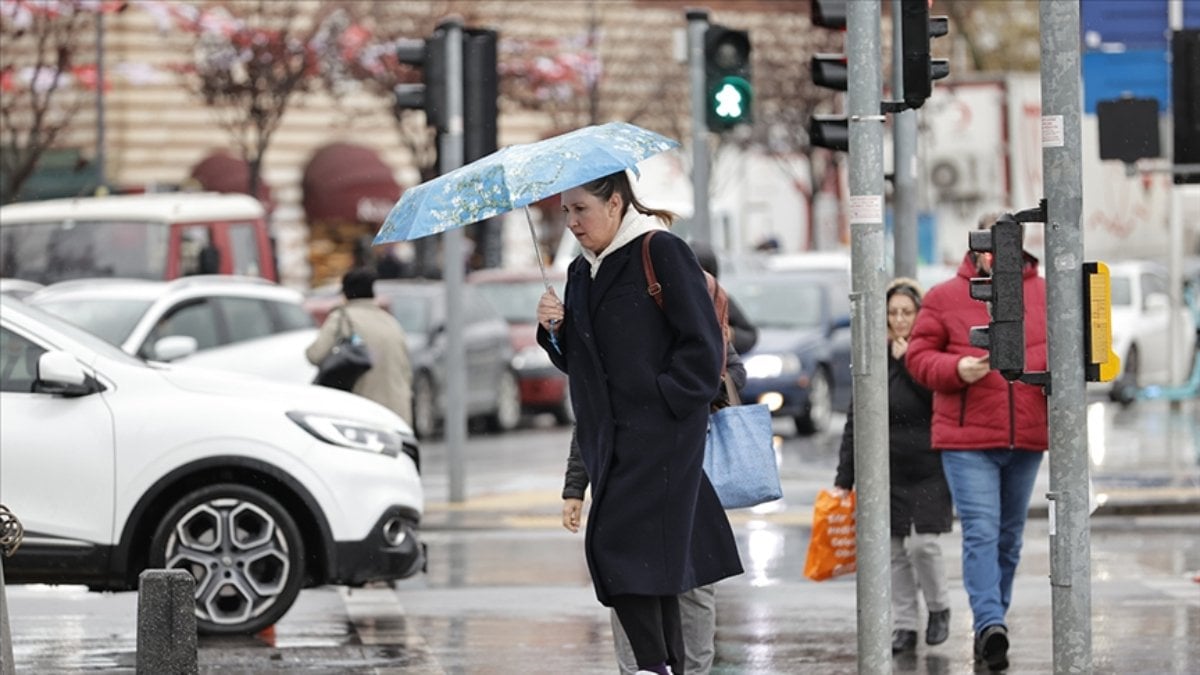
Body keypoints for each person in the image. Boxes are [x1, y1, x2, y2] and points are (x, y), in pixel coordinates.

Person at [537, 170, 743, 675]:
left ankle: (653, 665)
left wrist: (667, 402)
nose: (572, 223)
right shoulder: (580, 273)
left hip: (664, 438)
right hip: (610, 441)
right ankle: (664, 663)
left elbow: (703, 346)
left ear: (615, 204)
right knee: (655, 566)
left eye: (581, 209)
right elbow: (582, 364)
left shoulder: (661, 250)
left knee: (616, 549)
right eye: (565, 212)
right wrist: (555, 332)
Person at [905, 213, 1048, 672]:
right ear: (975, 247)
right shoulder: (946, 296)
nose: (994, 258)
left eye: (1004, 248)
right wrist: (954, 370)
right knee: (982, 532)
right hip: (967, 440)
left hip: (1025, 436)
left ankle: (993, 626)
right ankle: (989, 622)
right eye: (987, 248)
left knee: (1009, 539)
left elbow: (1068, 350)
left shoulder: (1046, 295)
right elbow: (918, 357)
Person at [562, 342, 748, 675]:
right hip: (630, 480)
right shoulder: (611, 318)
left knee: (694, 587)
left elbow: (732, 366)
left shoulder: (691, 299)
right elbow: (593, 417)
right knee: (630, 581)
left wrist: (682, 391)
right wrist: (575, 486)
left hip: (688, 473)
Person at [832, 278, 953, 655]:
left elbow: (940, 402)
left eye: (906, 312)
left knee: (924, 546)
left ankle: (939, 607)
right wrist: (844, 478)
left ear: (918, 316)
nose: (899, 320)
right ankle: (904, 626)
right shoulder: (873, 357)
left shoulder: (927, 354)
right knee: (895, 550)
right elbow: (857, 418)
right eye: (892, 313)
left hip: (929, 465)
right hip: (886, 470)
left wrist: (910, 363)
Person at [306, 267, 414, 426]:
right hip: (398, 415)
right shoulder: (391, 322)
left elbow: (314, 355)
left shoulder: (342, 318)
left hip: (364, 414)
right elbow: (406, 371)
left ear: (345, 294)